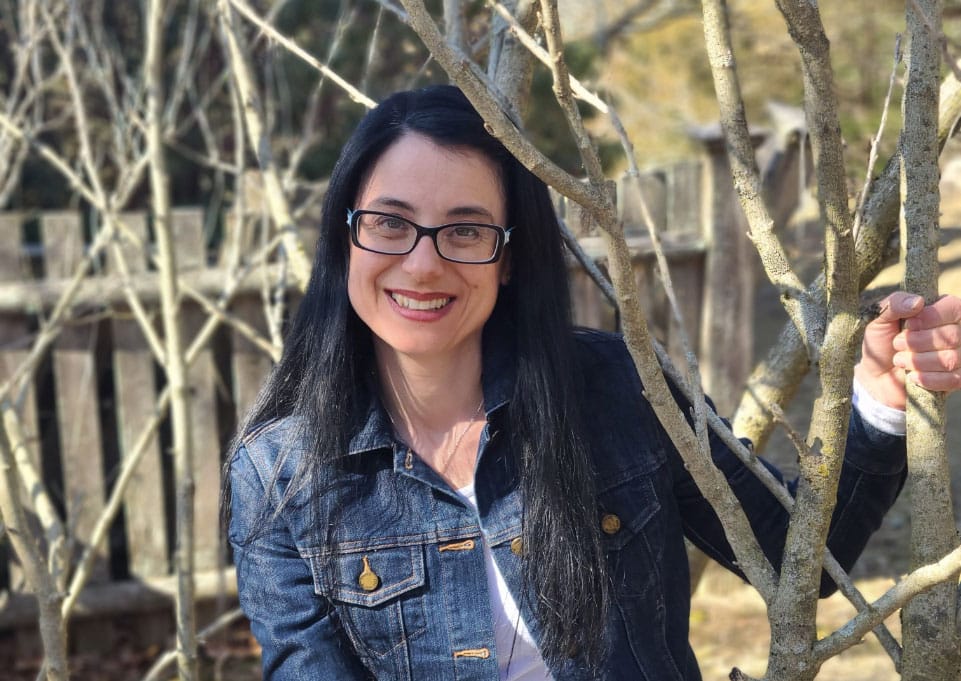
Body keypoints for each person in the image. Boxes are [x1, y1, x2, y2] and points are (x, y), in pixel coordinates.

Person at [224, 85, 961, 681]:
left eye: (465, 230)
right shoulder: (279, 476)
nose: (422, 264)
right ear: (344, 236)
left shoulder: (614, 387)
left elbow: (801, 555)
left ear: (510, 258)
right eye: (389, 222)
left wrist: (879, 396)